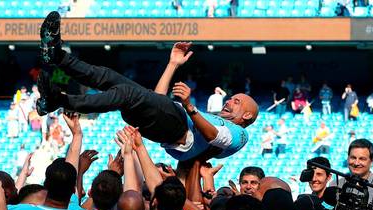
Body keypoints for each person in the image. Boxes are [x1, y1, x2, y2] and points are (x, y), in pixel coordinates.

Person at [36, 12, 258, 162]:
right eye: (232, 98)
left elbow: (215, 138)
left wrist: (190, 106)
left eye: (236, 101)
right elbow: (158, 97)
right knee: (111, 78)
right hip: (167, 119)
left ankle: (59, 100)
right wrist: (172, 64)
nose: (229, 100)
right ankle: (58, 57)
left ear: (247, 114)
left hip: (179, 132)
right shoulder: (210, 116)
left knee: (127, 92)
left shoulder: (240, 134)